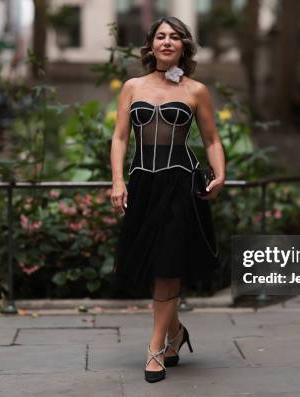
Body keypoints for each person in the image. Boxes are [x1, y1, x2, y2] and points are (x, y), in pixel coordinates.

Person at [110, 17, 225, 383]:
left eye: (174, 36)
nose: (167, 41)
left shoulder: (196, 90)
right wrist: (117, 181)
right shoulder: (132, 86)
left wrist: (220, 173)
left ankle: (156, 347)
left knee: (168, 265)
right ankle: (176, 332)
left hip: (181, 185)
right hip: (143, 185)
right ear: (150, 45)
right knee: (152, 263)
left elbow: (211, 140)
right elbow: (119, 139)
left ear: (183, 46)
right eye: (160, 36)